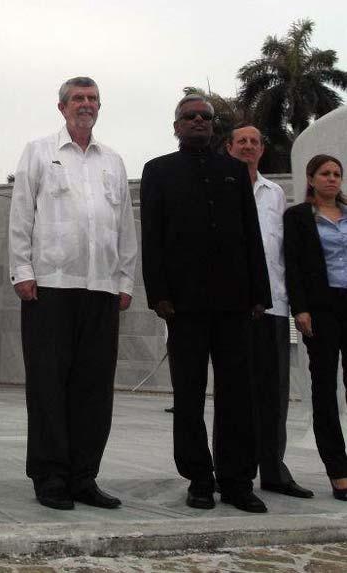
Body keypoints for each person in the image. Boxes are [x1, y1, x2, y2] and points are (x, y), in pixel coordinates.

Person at [9, 77, 137, 511]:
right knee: (48, 384)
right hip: (50, 287)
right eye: (78, 99)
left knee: (94, 387)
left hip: (101, 288)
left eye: (92, 99)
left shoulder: (113, 161)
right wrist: (22, 270)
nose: (86, 105)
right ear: (62, 107)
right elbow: (21, 213)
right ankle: (50, 476)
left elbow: (124, 227)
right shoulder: (39, 152)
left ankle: (84, 476)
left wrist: (125, 280)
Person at [140, 95, 271, 513]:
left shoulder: (234, 171)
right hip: (184, 304)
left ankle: (236, 480)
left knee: (237, 394)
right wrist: (158, 293)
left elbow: (252, 236)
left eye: (205, 117)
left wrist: (258, 294)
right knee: (190, 393)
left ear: (213, 126)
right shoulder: (158, 171)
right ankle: (199, 477)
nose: (198, 121)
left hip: (234, 302)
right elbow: (153, 236)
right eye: (189, 117)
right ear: (176, 125)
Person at [225, 125, 312, 498]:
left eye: (254, 142)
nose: (248, 146)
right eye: (241, 141)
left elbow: (284, 255)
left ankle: (274, 471)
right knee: (234, 393)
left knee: (274, 393)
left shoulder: (275, 194)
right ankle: (232, 471)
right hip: (231, 308)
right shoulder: (220, 188)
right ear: (228, 147)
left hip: (274, 304)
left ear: (262, 150)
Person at [284, 154, 347, 500]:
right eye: (325, 174)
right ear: (311, 178)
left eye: (337, 174)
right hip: (321, 309)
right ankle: (338, 470)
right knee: (324, 389)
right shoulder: (298, 218)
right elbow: (293, 266)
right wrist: (301, 309)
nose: (332, 179)